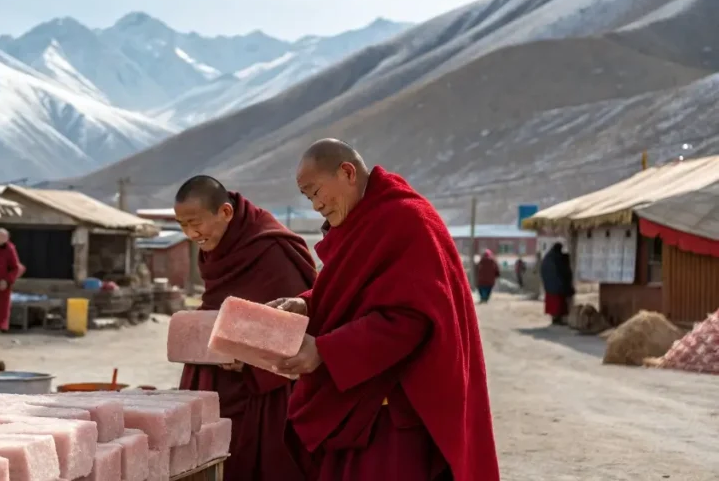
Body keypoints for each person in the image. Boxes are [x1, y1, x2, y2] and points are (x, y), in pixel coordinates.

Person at [269, 139, 499, 481]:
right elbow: (358, 292)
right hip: (359, 407)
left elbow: (410, 320)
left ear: (347, 172)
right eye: (308, 198)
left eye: (317, 192)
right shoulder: (362, 221)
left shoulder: (406, 219)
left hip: (394, 415)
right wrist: (307, 303)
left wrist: (324, 352)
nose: (316, 205)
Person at [174, 175, 316, 481]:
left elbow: (296, 329)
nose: (190, 233)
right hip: (218, 374)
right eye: (182, 225)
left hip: (266, 391)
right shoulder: (218, 243)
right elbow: (220, 303)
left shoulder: (270, 249)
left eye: (195, 222)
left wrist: (249, 357)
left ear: (225, 212)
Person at [0, 228, 21, 332]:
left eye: (4, 237)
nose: (2, 239)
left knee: (3, 307)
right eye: (0, 236)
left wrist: (7, 280)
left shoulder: (10, 249)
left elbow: (15, 267)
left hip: (4, 284)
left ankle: (2, 327)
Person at [539, 242, 574, 326]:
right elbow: (564, 271)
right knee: (559, 304)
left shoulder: (547, 257)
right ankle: (558, 319)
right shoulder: (557, 258)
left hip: (549, 286)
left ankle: (555, 318)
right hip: (558, 286)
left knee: (553, 304)